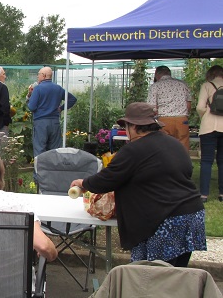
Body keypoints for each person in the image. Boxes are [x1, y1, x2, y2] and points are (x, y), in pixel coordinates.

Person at [70, 102, 206, 267]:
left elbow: (107, 180)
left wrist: (84, 183)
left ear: (133, 126)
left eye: (126, 126)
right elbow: (186, 170)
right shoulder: (174, 144)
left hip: (165, 220)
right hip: (191, 215)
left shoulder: (133, 150)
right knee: (175, 279)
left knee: (150, 280)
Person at [27, 67, 77, 157]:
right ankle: (54, 170)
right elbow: (72, 99)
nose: (37, 77)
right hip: (54, 122)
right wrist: (61, 108)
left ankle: (39, 171)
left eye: (38, 75)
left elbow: (31, 107)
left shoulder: (38, 89)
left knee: (40, 149)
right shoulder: (58, 88)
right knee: (55, 150)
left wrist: (29, 97)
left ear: (44, 75)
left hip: (41, 122)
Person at [147, 65, 192, 151]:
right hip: (182, 120)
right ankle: (182, 163)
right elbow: (188, 105)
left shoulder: (155, 86)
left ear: (156, 75)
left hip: (164, 121)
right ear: (169, 73)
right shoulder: (183, 84)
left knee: (165, 147)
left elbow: (152, 108)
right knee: (183, 148)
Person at [196, 64, 223, 203]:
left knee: (206, 161)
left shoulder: (206, 85)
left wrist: (205, 115)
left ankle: (204, 194)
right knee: (222, 160)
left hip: (209, 127)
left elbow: (200, 106)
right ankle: (222, 193)